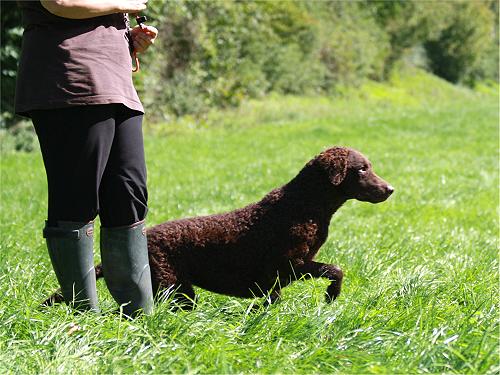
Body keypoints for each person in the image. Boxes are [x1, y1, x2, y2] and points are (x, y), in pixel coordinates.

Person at [15, 0, 158, 317]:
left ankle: (138, 317)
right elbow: (59, 3)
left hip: (115, 82)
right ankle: (83, 317)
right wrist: (123, 3)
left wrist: (128, 40)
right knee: (76, 199)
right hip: (70, 78)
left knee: (128, 194)